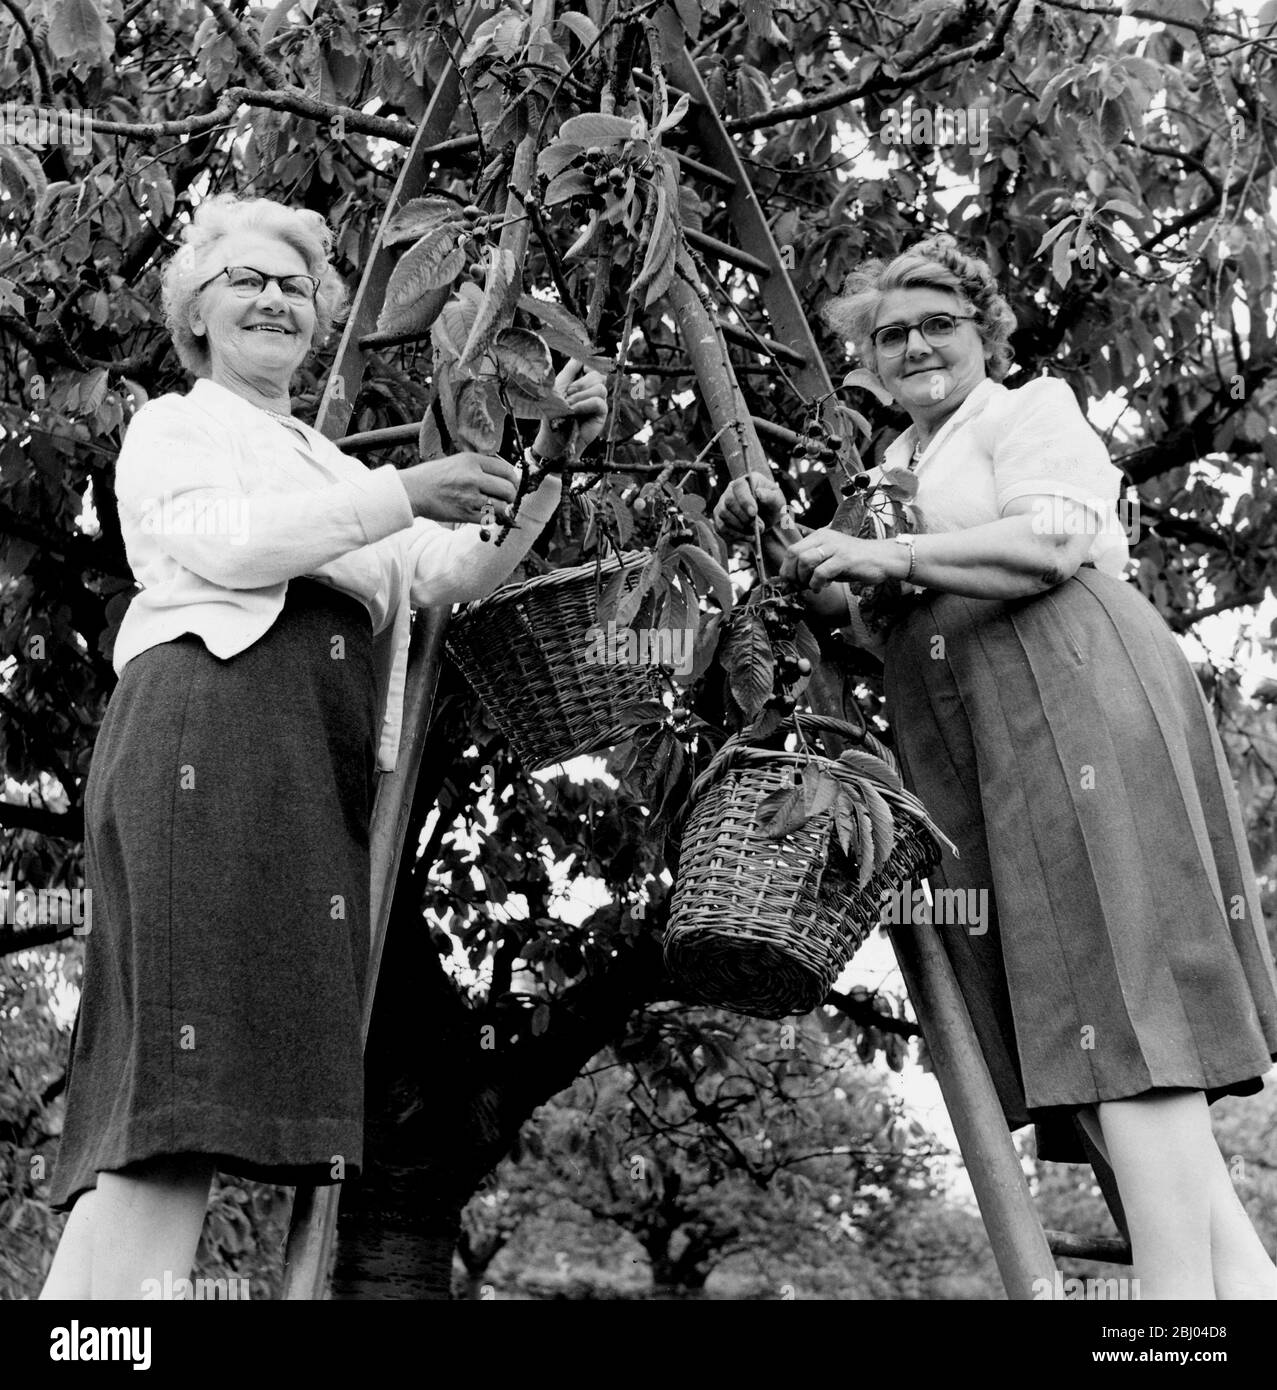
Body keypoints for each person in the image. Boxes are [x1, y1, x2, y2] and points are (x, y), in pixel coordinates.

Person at [40, 192, 607, 1300]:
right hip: (205, 737)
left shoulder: (323, 461)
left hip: (305, 769)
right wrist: (401, 491)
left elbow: (450, 569)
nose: (273, 299)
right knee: (171, 1095)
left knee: (208, 1099)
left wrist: (544, 460)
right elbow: (226, 542)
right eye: (244, 280)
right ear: (195, 316)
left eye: (295, 286)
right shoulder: (177, 425)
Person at [714, 234, 1277, 1299]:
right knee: (1086, 1005)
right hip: (981, 734)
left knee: (1123, 1001)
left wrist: (888, 554)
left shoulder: (1028, 414)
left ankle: (1166, 1322)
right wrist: (782, 535)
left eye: (940, 323)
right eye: (891, 336)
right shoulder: (895, 471)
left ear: (986, 333)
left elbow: (1050, 542)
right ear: (869, 366)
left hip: (1073, 690)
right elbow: (852, 604)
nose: (916, 345)